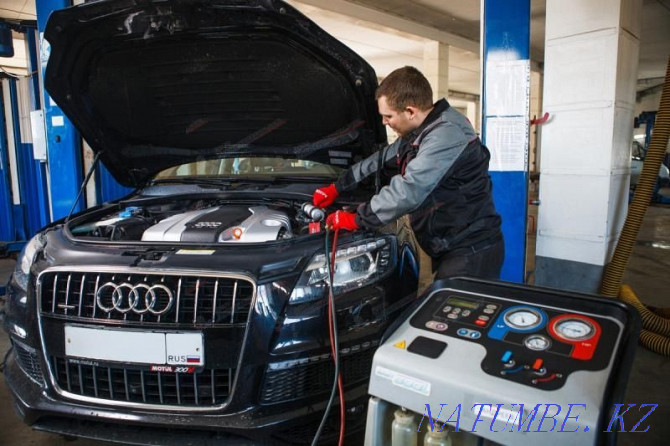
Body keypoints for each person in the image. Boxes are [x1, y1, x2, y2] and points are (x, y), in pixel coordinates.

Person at [313, 66, 504, 280]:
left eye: (388, 116)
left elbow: (408, 190)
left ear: (410, 111)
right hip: (449, 245)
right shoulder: (420, 133)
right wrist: (337, 187)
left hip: (471, 250)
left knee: (446, 312)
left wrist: (357, 219)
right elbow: (380, 161)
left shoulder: (447, 134)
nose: (384, 122)